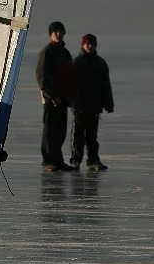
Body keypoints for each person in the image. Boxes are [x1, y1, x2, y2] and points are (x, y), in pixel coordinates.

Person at [35, 21, 76, 172]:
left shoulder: (65, 53)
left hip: (64, 99)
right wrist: (52, 95)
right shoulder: (47, 52)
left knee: (60, 131)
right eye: (55, 32)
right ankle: (48, 161)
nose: (58, 34)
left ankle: (58, 161)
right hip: (51, 99)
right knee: (50, 131)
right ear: (50, 34)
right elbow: (42, 77)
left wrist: (70, 96)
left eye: (60, 31)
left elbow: (70, 77)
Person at [70, 34, 114, 171]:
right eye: (87, 44)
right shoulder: (77, 62)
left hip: (94, 107)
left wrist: (109, 104)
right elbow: (71, 85)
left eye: (92, 44)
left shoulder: (100, 63)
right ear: (83, 45)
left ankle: (93, 160)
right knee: (77, 136)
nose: (90, 46)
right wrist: (72, 102)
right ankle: (75, 160)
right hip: (80, 107)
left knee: (92, 137)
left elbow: (105, 85)